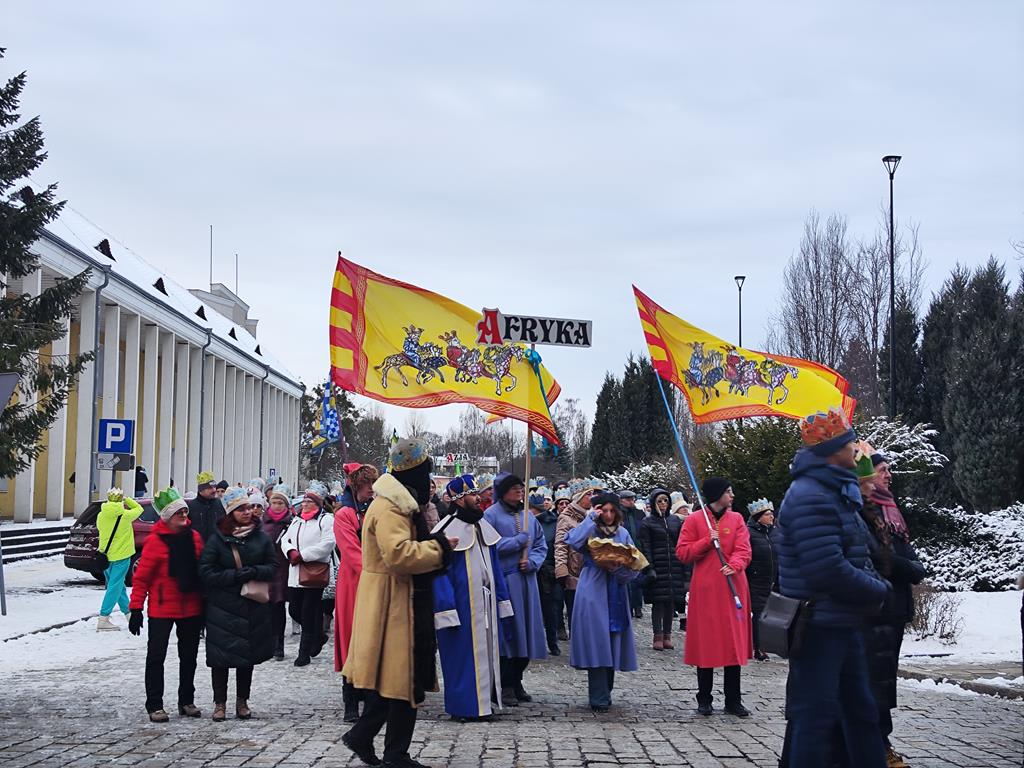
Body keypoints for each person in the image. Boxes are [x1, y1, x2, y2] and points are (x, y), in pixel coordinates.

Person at [775, 408, 890, 768]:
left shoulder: (831, 488)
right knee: (815, 719)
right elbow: (826, 569)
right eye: (849, 442)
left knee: (861, 712)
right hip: (820, 624)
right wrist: (877, 588)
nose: (856, 447)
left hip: (840, 621)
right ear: (833, 450)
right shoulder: (812, 495)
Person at [342, 439, 454, 768]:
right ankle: (394, 754)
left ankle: (368, 739)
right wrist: (441, 548)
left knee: (397, 681)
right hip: (392, 603)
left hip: (401, 600)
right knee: (403, 679)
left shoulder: (398, 502)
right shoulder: (391, 506)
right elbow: (398, 555)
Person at [857, 444, 925, 768]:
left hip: (895, 608)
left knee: (884, 680)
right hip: (876, 609)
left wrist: (907, 565)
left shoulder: (892, 511)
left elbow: (908, 557)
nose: (888, 474)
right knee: (875, 682)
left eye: (887, 470)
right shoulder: (867, 511)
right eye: (881, 470)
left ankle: (879, 744)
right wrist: (906, 567)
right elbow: (880, 557)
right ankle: (877, 746)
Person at [433, 474, 515, 722]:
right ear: (458, 499)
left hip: (486, 604)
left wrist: (503, 602)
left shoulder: (483, 527)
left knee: (487, 653)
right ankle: (464, 708)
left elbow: (495, 570)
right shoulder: (444, 531)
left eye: (477, 493)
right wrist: (445, 609)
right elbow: (439, 574)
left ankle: (484, 705)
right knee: (461, 658)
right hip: (461, 606)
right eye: (471, 495)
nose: (477, 498)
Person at [198, 487, 277, 721]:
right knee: (220, 658)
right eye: (241, 508)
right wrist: (234, 577)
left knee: (246, 657)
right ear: (230, 512)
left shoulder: (261, 538)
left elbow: (273, 567)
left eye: (249, 507)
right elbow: (206, 571)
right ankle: (219, 703)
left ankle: (242, 701)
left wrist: (254, 571)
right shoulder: (217, 539)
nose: (247, 512)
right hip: (222, 607)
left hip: (251, 605)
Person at [676, 477, 753, 717]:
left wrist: (735, 564)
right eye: (728, 492)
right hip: (706, 590)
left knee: (733, 643)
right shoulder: (694, 520)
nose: (732, 496)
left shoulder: (737, 519)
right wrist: (705, 542)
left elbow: (744, 549)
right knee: (706, 643)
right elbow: (683, 552)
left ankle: (733, 700)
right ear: (717, 494)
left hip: (733, 588)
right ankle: (704, 698)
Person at [128, 487, 204, 722]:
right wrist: (136, 609)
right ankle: (154, 704)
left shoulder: (194, 538)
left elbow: (203, 570)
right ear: (167, 517)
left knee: (189, 656)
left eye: (184, 512)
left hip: (190, 605)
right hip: (162, 607)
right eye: (178, 513)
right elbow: (142, 578)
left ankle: (186, 701)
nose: (183, 516)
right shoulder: (155, 542)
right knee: (156, 656)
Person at [565, 491, 641, 711]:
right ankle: (598, 694)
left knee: (612, 639)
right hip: (593, 588)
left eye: (611, 510)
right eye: (603, 510)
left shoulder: (623, 532)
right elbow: (573, 541)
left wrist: (619, 569)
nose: (608, 515)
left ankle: (606, 690)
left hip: (616, 589)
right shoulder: (590, 529)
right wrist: (590, 519)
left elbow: (634, 564)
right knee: (597, 639)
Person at [483, 472, 548, 705]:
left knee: (526, 632)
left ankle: (517, 678)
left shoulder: (529, 517)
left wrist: (532, 562)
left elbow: (540, 545)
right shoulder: (490, 516)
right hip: (505, 582)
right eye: (514, 488)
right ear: (503, 491)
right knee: (509, 633)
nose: (520, 492)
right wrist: (517, 543)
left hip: (526, 581)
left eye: (521, 488)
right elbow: (490, 545)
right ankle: (504, 682)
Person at [334, 463, 380, 723]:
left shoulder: (373, 509)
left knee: (372, 638)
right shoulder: (344, 515)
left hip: (376, 579)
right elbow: (351, 553)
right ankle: (350, 699)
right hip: (354, 582)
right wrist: (374, 574)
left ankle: (371, 693)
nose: (371, 491)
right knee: (353, 638)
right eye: (367, 487)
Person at [280, 482, 337, 667]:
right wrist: (290, 552)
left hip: (314, 574)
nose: (304, 503)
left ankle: (303, 652)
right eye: (303, 500)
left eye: (309, 501)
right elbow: (285, 539)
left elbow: (328, 543)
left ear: (318, 503)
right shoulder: (297, 520)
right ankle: (318, 635)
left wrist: (303, 555)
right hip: (295, 572)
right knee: (294, 609)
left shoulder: (326, 519)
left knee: (308, 610)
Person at [637, 488, 688, 651]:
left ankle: (667, 635)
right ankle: (657, 635)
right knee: (658, 603)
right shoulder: (648, 522)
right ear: (654, 503)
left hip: (673, 565)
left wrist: (683, 567)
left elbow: (681, 543)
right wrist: (649, 567)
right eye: (660, 501)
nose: (663, 504)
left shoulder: (675, 521)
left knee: (670, 602)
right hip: (657, 566)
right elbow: (646, 546)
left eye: (665, 500)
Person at [96, 487, 145, 630]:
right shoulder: (125, 515)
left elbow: (100, 529)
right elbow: (139, 508)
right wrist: (128, 500)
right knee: (114, 587)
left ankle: (128, 614)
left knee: (118, 587)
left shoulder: (101, 515)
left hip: (105, 556)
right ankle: (103, 618)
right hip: (122, 556)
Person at [555, 479, 597, 632]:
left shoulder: (592, 515)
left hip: (590, 569)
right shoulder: (565, 518)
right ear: (579, 497)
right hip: (574, 570)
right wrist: (561, 568)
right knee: (576, 615)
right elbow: (560, 544)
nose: (592, 497)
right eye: (588, 494)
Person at [261, 483, 293, 661]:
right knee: (265, 610)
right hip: (266, 571)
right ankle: (267, 644)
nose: (277, 505)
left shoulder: (291, 522)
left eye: (281, 503)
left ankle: (278, 645)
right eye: (274, 502)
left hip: (284, 570)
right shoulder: (262, 523)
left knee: (278, 608)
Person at [746, 498, 778, 661]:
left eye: (772, 514)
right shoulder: (749, 533)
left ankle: (770, 645)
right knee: (758, 614)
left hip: (772, 579)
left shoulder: (774, 532)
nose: (771, 517)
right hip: (756, 579)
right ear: (759, 516)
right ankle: (758, 648)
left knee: (771, 615)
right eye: (767, 514)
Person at [532, 491, 563, 656]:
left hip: (548, 571)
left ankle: (553, 642)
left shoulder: (554, 522)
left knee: (550, 608)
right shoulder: (523, 523)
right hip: (530, 570)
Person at [617, 490, 645, 619]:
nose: (631, 501)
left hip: (638, 548)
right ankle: (628, 606)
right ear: (621, 500)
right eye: (627, 499)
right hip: (624, 549)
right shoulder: (618, 514)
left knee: (638, 579)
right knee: (628, 580)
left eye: (632, 499)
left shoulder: (639, 513)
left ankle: (638, 607)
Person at [187, 471, 225, 547]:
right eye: (210, 488)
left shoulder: (219, 504)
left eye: (214, 487)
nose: (214, 490)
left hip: (217, 548)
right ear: (201, 490)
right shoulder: (191, 506)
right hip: (198, 548)